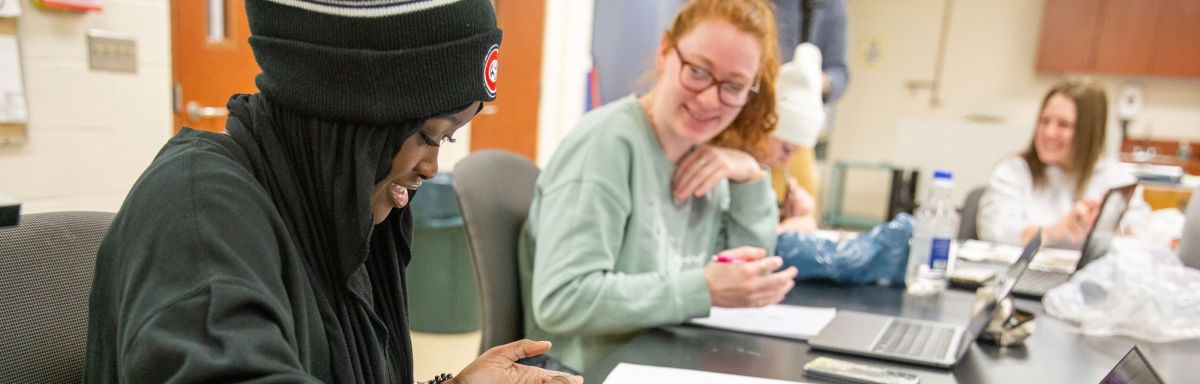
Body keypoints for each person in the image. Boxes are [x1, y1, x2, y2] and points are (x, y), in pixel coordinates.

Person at [83, 1, 579, 383]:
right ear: (356, 110)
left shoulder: (332, 201)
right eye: (429, 134)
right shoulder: (195, 218)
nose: (431, 166)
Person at [518, 0, 799, 371]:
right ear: (666, 51)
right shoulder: (605, 145)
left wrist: (748, 173)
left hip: (661, 353)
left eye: (733, 86)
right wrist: (703, 289)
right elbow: (562, 301)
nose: (709, 99)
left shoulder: (706, 158)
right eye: (698, 71)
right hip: (582, 367)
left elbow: (745, 274)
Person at [978, 80, 1141, 248]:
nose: (1049, 132)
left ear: (1089, 132)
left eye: (1064, 125)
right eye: (1044, 121)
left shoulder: (1114, 178)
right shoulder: (1014, 170)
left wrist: (1109, 228)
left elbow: (1142, 233)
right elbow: (994, 231)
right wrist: (1053, 233)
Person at [772, 0, 850, 202]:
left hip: (793, 131)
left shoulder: (829, 6)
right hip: (746, 123)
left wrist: (817, 81)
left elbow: (840, 73)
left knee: (800, 199)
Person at [766, 42, 825, 234]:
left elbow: (809, 220)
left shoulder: (798, 162)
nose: (787, 161)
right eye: (785, 149)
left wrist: (794, 217)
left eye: (796, 152)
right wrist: (784, 231)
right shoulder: (730, 159)